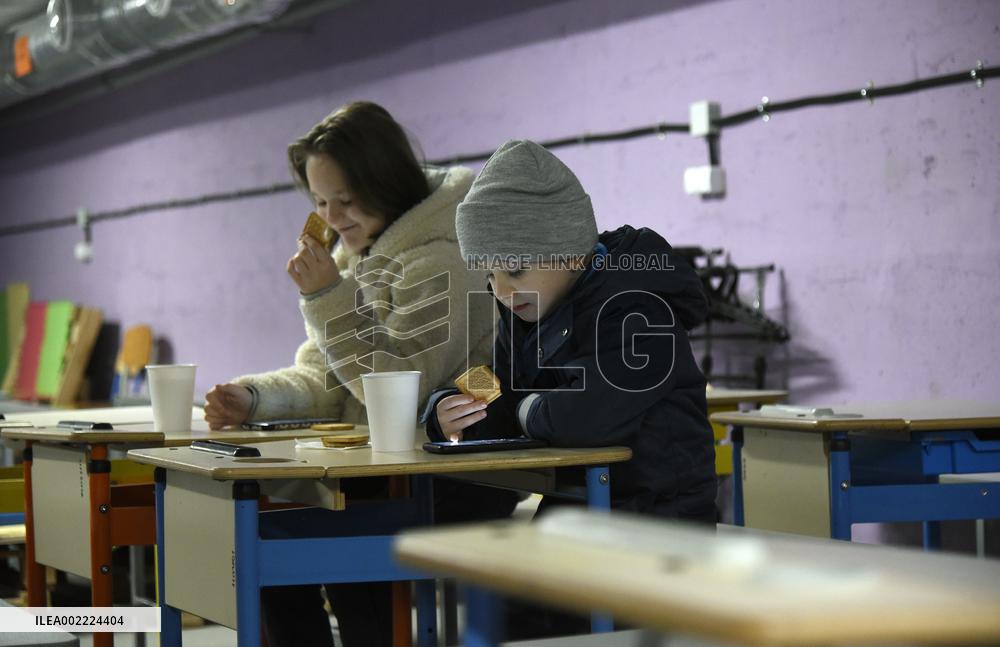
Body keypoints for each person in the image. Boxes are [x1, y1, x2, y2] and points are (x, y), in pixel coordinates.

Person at [203, 101, 516, 647]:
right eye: (320, 202)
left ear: (387, 182)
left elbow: (399, 385)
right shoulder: (362, 259)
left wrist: (326, 298)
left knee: (295, 548)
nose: (330, 218)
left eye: (345, 200)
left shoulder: (439, 261)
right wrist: (253, 400)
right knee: (259, 541)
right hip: (386, 478)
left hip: (454, 479)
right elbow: (328, 379)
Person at [424, 139, 717, 639]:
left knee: (526, 617)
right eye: (490, 274)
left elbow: (589, 419)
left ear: (567, 249)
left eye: (514, 269)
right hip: (584, 508)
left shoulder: (638, 308)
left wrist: (522, 408)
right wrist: (445, 406)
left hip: (660, 522)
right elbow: (494, 382)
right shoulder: (527, 305)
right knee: (503, 608)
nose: (502, 290)